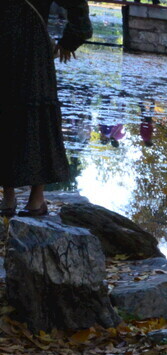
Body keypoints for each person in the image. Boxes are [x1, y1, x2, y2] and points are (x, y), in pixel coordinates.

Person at [0, 0, 92, 217]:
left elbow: (77, 4)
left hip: (31, 46)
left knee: (34, 116)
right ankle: (9, 194)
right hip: (12, 43)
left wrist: (70, 40)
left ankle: (35, 198)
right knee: (7, 115)